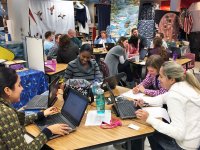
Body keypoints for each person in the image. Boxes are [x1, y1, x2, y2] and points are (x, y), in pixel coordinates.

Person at [0, 67, 72, 149]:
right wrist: (49, 131)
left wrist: (42, 114)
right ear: (7, 90)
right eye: (19, 85)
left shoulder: (4, 104)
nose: (22, 88)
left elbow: (18, 120)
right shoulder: (5, 113)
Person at [135, 61, 200, 150]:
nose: (158, 79)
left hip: (184, 146)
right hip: (194, 141)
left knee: (150, 129)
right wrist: (144, 101)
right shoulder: (184, 84)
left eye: (161, 76)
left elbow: (178, 133)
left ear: (172, 79)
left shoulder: (174, 96)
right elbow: (163, 98)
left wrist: (149, 119)